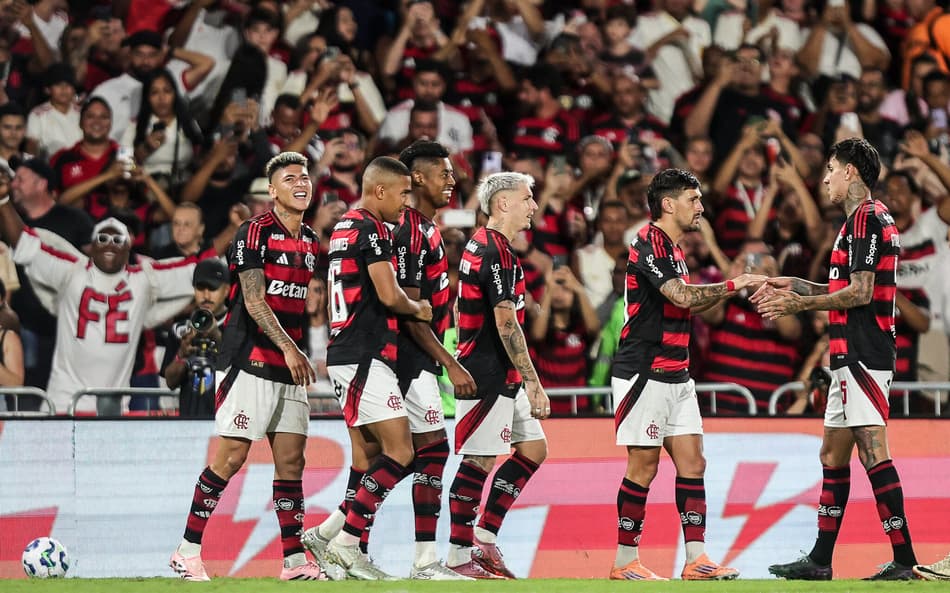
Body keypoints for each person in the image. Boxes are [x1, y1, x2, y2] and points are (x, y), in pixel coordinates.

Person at [302, 141, 475, 581]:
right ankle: (349, 542)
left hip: (375, 354)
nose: (451, 181)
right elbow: (403, 304)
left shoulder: (382, 225)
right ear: (414, 180)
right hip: (394, 356)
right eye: (444, 173)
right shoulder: (401, 230)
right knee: (415, 451)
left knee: (373, 457)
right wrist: (448, 361)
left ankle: (345, 541)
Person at [754, 138, 917, 580]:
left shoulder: (866, 219)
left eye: (830, 169)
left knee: (872, 448)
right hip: (848, 355)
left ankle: (905, 560)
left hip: (865, 352)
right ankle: (821, 560)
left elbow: (861, 293)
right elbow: (843, 292)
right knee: (832, 453)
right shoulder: (857, 222)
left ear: (851, 173)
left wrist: (797, 307)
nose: (824, 178)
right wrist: (797, 285)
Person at [169, 152, 322, 582]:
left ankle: (293, 561)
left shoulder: (310, 239)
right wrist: (292, 348)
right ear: (272, 190)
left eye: (305, 177)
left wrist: (294, 349)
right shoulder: (253, 232)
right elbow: (253, 300)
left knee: (292, 462)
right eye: (290, 178)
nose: (301, 183)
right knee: (232, 457)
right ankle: (186, 551)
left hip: (287, 364)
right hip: (249, 359)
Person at [608, 168, 760, 581]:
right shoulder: (648, 242)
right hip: (645, 371)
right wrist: (733, 284)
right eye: (694, 199)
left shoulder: (673, 249)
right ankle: (624, 562)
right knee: (644, 466)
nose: (701, 207)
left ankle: (696, 559)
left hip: (676, 372)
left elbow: (686, 304)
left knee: (693, 462)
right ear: (668, 204)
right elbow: (680, 296)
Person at [313, 157, 432, 580]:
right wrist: (419, 306)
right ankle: (344, 542)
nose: (406, 202)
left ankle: (329, 534)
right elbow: (387, 292)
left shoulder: (344, 226)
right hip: (363, 353)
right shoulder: (372, 229)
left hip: (347, 350)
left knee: (368, 457)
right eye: (402, 193)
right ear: (379, 190)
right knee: (402, 451)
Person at [1, 159, 196, 415]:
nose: (110, 245)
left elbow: (199, 269)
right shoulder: (72, 269)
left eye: (118, 239)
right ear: (91, 246)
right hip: (64, 400)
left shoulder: (143, 276)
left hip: (115, 403)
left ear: (129, 247)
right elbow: (25, 244)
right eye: (102, 239)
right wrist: (4, 200)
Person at [444, 171, 550, 580]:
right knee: (480, 460)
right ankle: (457, 557)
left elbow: (463, 309)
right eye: (527, 198)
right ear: (503, 203)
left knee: (533, 450)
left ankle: (484, 540)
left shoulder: (489, 247)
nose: (533, 206)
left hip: (498, 370)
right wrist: (534, 382)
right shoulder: (494, 251)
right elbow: (507, 323)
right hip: (487, 371)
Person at [161, 258, 230, 418]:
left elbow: (241, 375)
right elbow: (171, 382)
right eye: (200, 288)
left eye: (213, 288)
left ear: (226, 290)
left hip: (226, 422)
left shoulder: (237, 325)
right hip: (189, 420)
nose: (206, 295)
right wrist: (181, 355)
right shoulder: (181, 329)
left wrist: (217, 336)